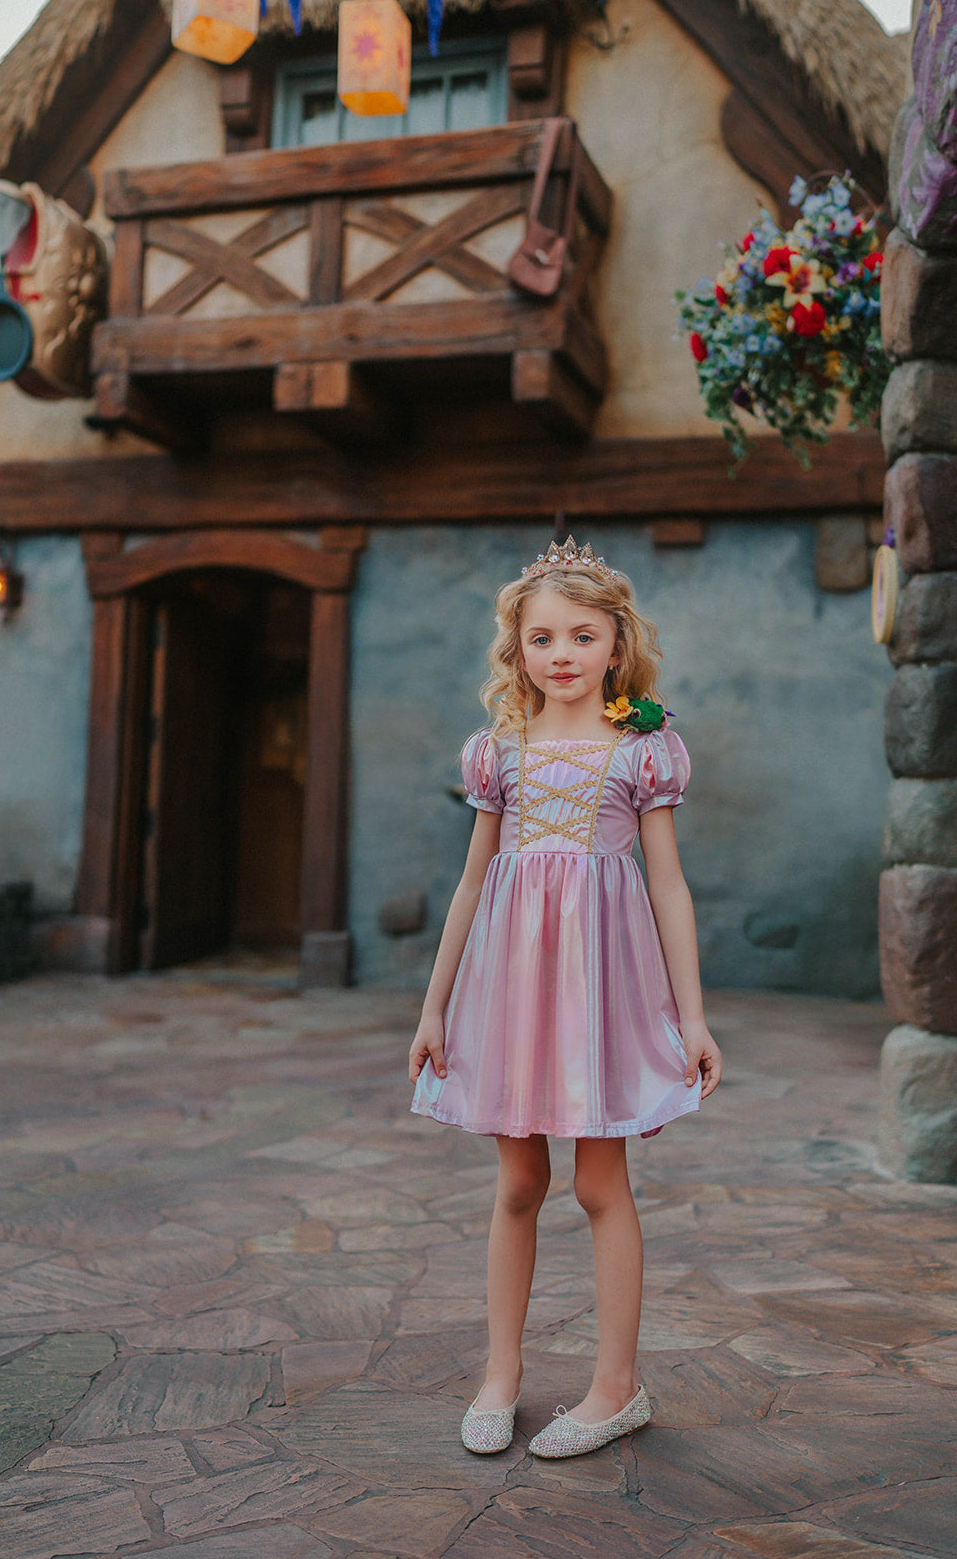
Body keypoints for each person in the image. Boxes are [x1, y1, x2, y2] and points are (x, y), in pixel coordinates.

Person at [408, 536, 722, 1460]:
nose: (562, 655)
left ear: (615, 646)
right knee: (517, 1180)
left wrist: (691, 1017)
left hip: (601, 989)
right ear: (518, 651)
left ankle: (614, 1387)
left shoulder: (643, 749)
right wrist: (433, 1009)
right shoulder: (498, 751)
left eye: (582, 636)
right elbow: (472, 885)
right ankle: (500, 1373)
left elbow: (667, 887)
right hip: (509, 986)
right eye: (541, 638)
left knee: (597, 1182)